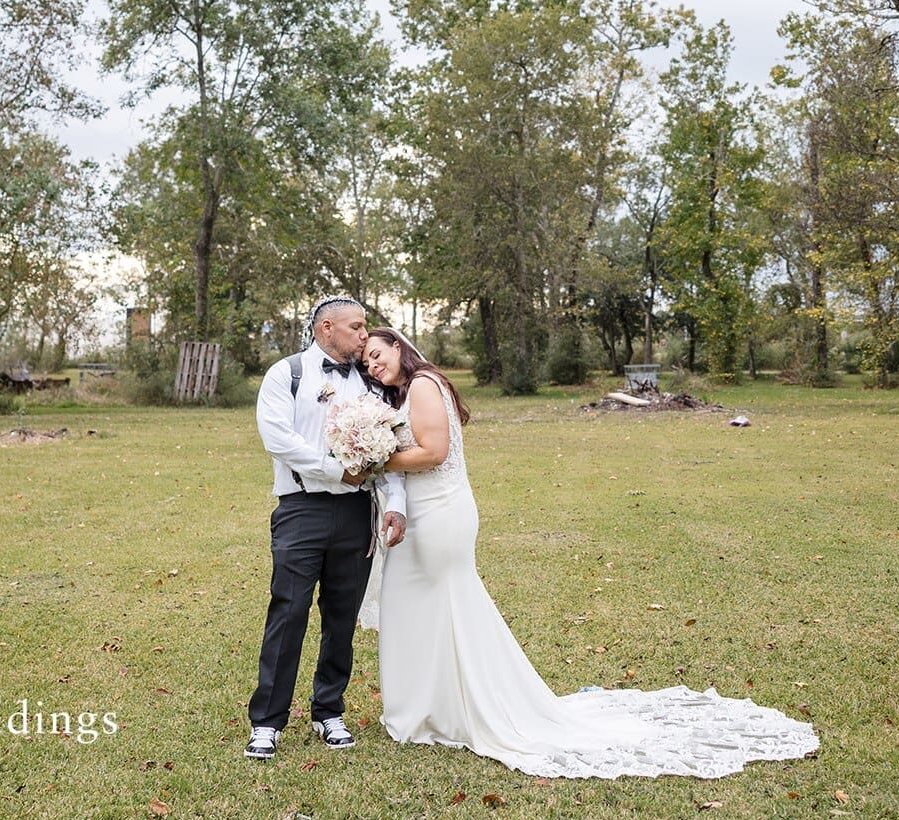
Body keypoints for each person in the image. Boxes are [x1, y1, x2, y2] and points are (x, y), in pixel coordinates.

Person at [360, 327, 820, 779]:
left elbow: (434, 452)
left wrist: (376, 457)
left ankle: (457, 709)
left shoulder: (422, 385)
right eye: (366, 363)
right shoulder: (408, 389)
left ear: (398, 347)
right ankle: (440, 706)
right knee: (432, 608)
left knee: (446, 605)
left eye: (378, 354)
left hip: (439, 513)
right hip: (428, 512)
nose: (374, 365)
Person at [244, 297, 408, 760]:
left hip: (358, 513)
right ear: (326, 328)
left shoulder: (371, 384)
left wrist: (394, 503)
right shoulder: (287, 373)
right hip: (301, 510)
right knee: (289, 611)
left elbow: (389, 449)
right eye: (356, 327)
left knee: (342, 616)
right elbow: (278, 439)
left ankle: (328, 711)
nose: (364, 335)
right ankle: (267, 722)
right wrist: (335, 471)